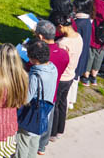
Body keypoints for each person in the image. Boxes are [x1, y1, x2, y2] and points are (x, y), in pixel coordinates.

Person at [15, 39, 57, 158]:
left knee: (22, 142)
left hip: (32, 115)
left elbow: (26, 99)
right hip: (44, 113)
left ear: (34, 59)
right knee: (34, 142)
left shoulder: (35, 76)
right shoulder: (53, 68)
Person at [33, 20, 69, 155]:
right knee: (48, 118)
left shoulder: (39, 55)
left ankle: (35, 146)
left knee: (36, 121)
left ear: (41, 37)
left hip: (37, 94)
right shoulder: (63, 54)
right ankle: (42, 146)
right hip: (53, 92)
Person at [48, 11, 83, 142]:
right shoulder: (78, 37)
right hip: (70, 75)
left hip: (61, 77)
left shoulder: (63, 43)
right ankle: (60, 129)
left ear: (61, 27)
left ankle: (53, 132)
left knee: (56, 105)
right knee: (63, 103)